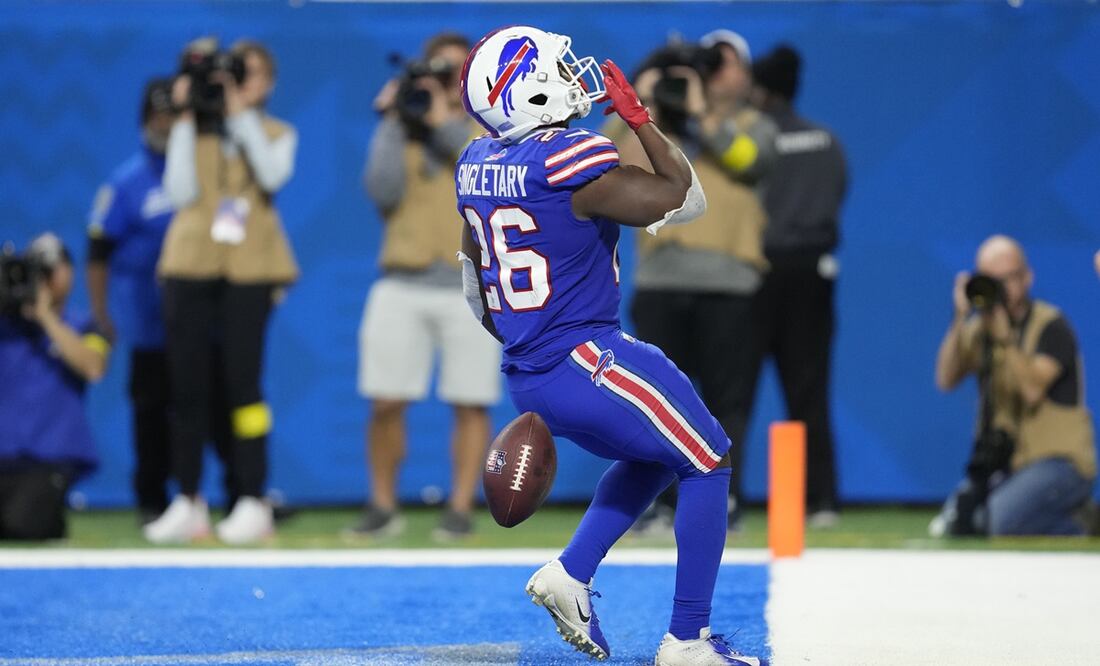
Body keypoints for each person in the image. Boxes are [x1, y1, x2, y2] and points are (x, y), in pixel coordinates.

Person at [457, 25, 764, 666]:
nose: (569, 76)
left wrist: (528, 339)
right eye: (554, 68)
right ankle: (688, 641)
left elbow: (473, 283)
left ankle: (571, 575)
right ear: (529, 91)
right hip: (587, 356)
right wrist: (640, 120)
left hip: (528, 369)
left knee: (660, 457)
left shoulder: (475, 164)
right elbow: (685, 198)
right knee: (709, 458)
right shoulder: (566, 160)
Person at [606, 31, 777, 532]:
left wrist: (701, 113)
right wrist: (644, 108)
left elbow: (751, 161)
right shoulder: (650, 130)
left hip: (732, 284)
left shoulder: (754, 126)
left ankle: (721, 501)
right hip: (662, 279)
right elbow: (604, 157)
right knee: (657, 399)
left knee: (728, 398)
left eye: (717, 67)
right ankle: (657, 503)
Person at [144, 37, 299, 544]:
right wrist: (188, 115)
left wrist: (238, 114)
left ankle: (252, 499)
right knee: (186, 389)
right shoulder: (192, 130)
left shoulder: (277, 132)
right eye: (228, 74)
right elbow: (180, 192)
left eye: (244, 74)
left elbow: (272, 175)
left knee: (244, 388)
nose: (232, 82)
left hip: (250, 271)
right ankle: (188, 500)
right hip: (189, 266)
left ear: (266, 84)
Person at [354, 32, 501, 540]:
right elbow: (380, 189)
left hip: (471, 283)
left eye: (456, 74)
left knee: (470, 399)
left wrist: (441, 120)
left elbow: (479, 172)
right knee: (385, 400)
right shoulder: (403, 124)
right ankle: (381, 504)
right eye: (439, 73)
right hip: (403, 280)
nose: (446, 83)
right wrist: (394, 120)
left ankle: (460, 507)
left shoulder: (491, 131)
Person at [86, 77, 234, 525]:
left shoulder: (217, 170)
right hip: (150, 320)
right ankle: (152, 500)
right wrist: (101, 313)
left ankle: (243, 494)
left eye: (175, 114)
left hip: (205, 314)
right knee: (151, 412)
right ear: (145, 120)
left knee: (220, 405)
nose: (167, 124)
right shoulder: (126, 182)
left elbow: (234, 228)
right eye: (159, 115)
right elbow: (98, 253)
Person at [744, 44, 848, 526]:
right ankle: (822, 503)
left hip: (756, 278)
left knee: (733, 396)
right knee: (809, 392)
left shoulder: (753, 141)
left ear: (761, 91)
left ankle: (723, 501)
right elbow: (837, 195)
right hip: (811, 276)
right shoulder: (826, 141)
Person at [933, 235, 1096, 536]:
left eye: (1007, 279)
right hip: (1011, 466)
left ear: (1027, 277)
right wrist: (959, 319)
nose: (1001, 289)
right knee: (960, 522)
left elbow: (1032, 391)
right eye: (990, 280)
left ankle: (1085, 523)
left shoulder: (1052, 325)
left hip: (1060, 463)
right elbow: (945, 378)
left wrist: (1005, 339)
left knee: (996, 521)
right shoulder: (981, 328)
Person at [0, 234, 105, 539]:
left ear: (68, 273)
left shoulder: (83, 324)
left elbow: (93, 366)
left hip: (46, 462)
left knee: (25, 524)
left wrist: (45, 316)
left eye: (49, 271)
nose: (42, 280)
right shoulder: (6, 327)